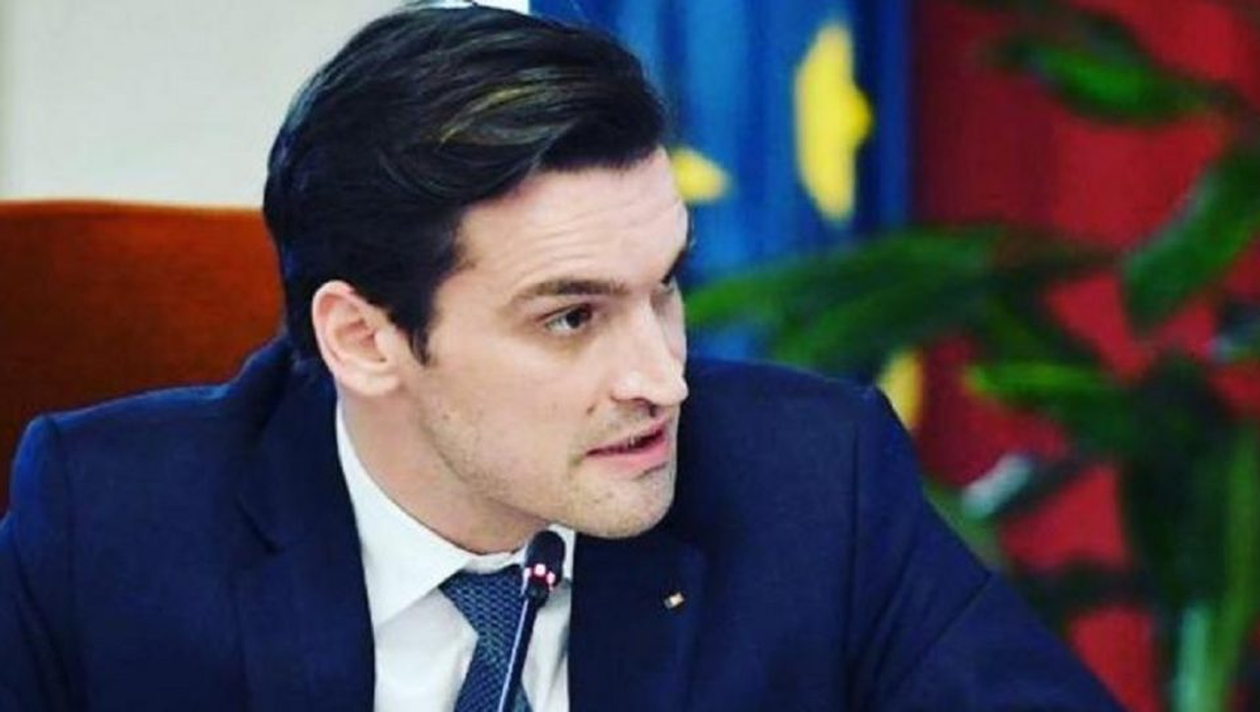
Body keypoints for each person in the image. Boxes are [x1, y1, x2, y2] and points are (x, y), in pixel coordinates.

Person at [0, 4, 1122, 711]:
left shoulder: (814, 481)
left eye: (664, 287)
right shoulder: (111, 525)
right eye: (572, 318)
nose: (663, 378)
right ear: (366, 339)